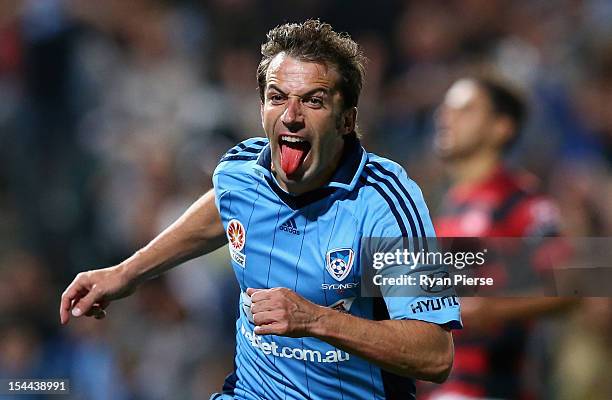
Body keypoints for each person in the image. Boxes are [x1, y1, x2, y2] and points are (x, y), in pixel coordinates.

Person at [60, 20, 461, 400]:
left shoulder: (385, 201)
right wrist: (126, 273)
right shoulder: (241, 172)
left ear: (346, 120)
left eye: (313, 101)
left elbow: (436, 355)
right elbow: (221, 210)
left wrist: (315, 320)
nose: (291, 116)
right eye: (277, 97)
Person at [427, 76, 576, 399]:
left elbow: (572, 282)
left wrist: (488, 311)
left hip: (490, 388)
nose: (445, 116)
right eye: (445, 108)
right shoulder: (448, 207)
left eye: (464, 110)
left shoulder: (519, 200)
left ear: (501, 127)